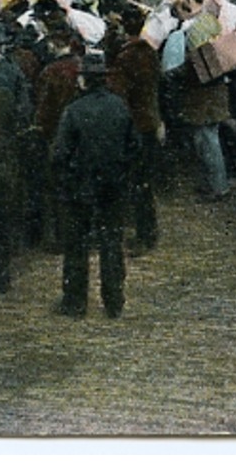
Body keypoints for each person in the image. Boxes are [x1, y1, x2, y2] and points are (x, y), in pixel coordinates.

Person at [50, 51, 139, 319]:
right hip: (113, 186)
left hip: (79, 186)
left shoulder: (73, 111)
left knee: (76, 246)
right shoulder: (120, 107)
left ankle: (75, 302)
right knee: (111, 244)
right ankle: (114, 301)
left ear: (84, 81)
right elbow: (134, 146)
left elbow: (60, 153)